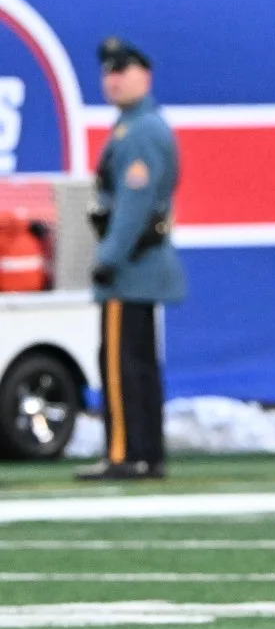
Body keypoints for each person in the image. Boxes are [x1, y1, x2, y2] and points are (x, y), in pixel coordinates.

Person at [76, 38, 186, 482]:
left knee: (122, 367)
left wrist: (108, 257)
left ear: (145, 75)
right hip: (139, 262)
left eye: (122, 70)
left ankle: (126, 453)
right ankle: (146, 454)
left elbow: (133, 206)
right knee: (135, 364)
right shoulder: (134, 125)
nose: (113, 79)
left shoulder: (141, 130)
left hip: (131, 266)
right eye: (108, 71)